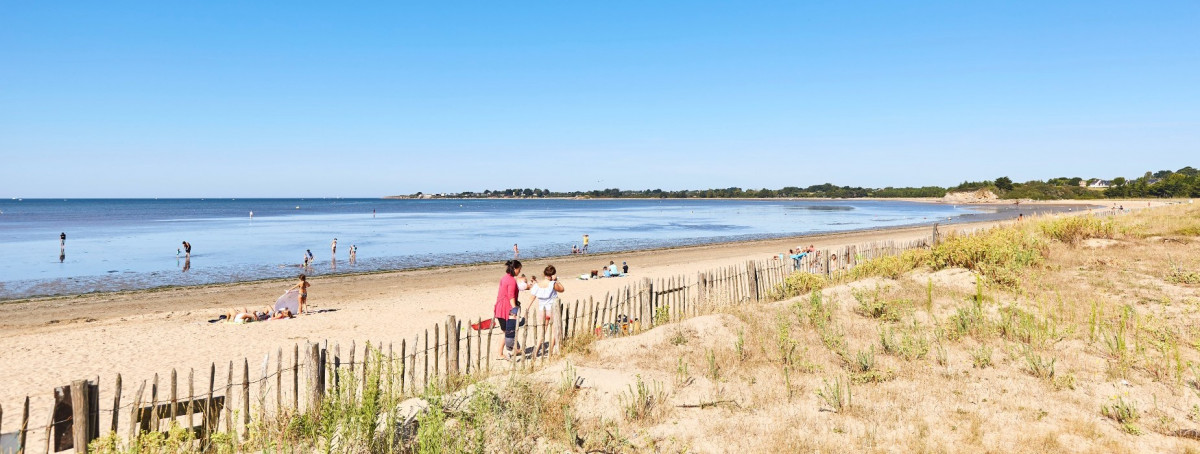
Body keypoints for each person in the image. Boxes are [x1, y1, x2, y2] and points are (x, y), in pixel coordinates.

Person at [495, 260, 529, 359]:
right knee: (509, 331)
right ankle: (510, 351)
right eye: (519, 269)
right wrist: (514, 309)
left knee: (505, 331)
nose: (519, 271)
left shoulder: (504, 278)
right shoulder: (511, 280)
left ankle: (503, 352)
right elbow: (511, 296)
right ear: (515, 269)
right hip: (506, 309)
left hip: (499, 307)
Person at [529, 265, 566, 355]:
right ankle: (550, 351)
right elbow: (562, 289)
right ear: (552, 275)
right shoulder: (552, 284)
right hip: (552, 310)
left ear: (544, 274)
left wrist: (527, 308)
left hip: (543, 310)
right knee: (554, 331)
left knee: (542, 332)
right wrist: (556, 280)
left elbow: (532, 298)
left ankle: (536, 350)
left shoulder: (537, 285)